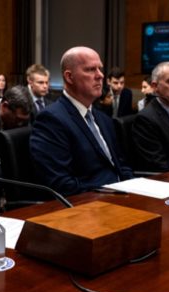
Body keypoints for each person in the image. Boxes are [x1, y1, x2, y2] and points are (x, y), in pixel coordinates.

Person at [30, 46, 133, 196]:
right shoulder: (51, 120)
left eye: (100, 69)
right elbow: (61, 184)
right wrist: (112, 191)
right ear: (69, 77)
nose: (100, 75)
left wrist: (134, 188)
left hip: (124, 197)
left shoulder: (103, 119)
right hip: (89, 206)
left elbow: (121, 165)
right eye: (91, 69)